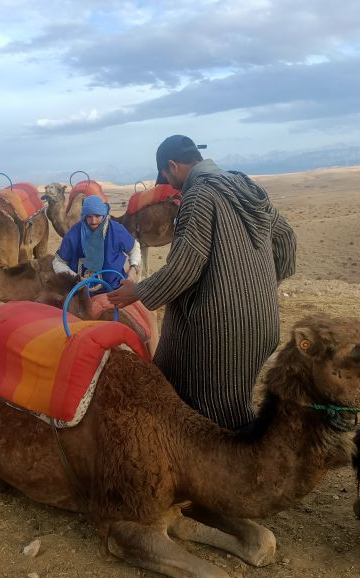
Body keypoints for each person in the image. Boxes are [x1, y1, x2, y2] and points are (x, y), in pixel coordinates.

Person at [107, 135, 297, 430]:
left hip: (220, 334)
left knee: (209, 412)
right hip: (263, 324)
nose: (170, 184)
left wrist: (138, 291)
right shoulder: (245, 185)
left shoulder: (198, 196)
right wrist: (263, 287)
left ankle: (232, 467)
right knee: (232, 400)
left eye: (168, 177)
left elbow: (185, 267)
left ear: (172, 165)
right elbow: (285, 237)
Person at [53, 195, 142, 292]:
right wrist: (75, 279)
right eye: (89, 216)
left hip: (115, 288)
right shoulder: (74, 233)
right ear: (84, 216)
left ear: (103, 214)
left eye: (97, 216)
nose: (93, 221)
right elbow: (58, 262)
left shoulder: (116, 230)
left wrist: (133, 269)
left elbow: (134, 248)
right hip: (80, 291)